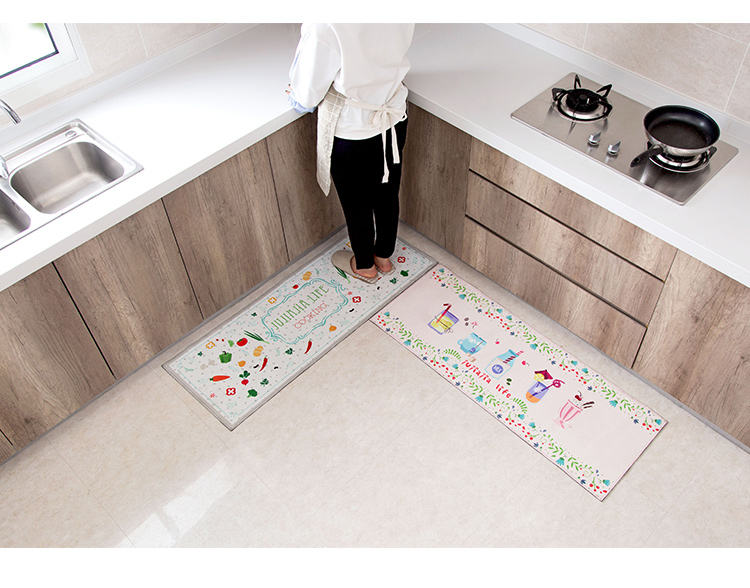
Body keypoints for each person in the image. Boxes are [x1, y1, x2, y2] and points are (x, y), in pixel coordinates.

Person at [286, 23, 415, 284]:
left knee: (357, 203)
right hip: (393, 115)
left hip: (353, 129)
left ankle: (365, 265)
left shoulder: (325, 21)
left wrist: (297, 96)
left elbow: (308, 90)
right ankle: (384, 256)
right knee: (387, 192)